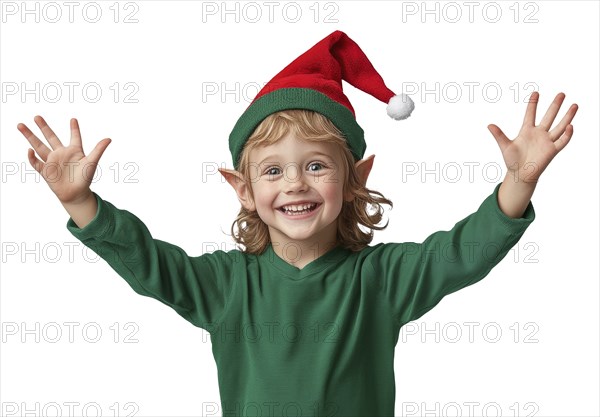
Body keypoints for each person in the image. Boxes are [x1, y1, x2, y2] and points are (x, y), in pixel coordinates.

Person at [17, 31, 578, 416]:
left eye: (316, 166)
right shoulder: (226, 284)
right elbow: (148, 263)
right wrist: (81, 202)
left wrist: (519, 182)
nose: (295, 184)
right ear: (243, 190)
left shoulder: (381, 280)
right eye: (273, 170)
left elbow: (462, 253)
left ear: (354, 178)